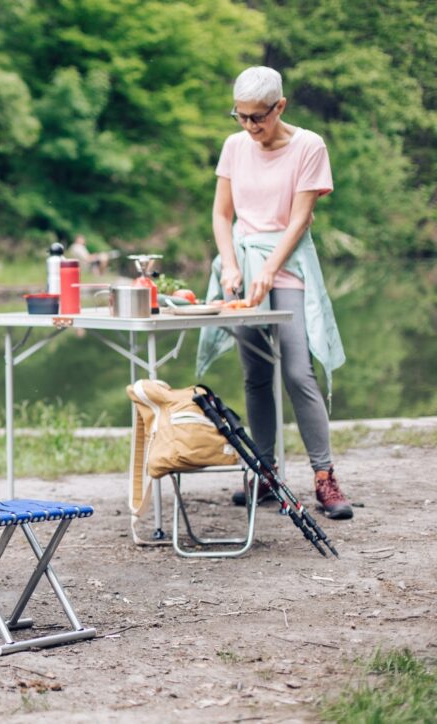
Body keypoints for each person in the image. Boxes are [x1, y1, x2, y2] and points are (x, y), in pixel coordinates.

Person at [196, 66, 352, 519]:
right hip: (245, 269)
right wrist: (230, 262)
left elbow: (301, 218)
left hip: (288, 267)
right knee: (255, 376)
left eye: (258, 117)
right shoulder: (234, 147)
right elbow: (222, 215)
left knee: (298, 373)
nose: (249, 126)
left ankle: (324, 477)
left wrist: (269, 268)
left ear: (280, 107)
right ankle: (265, 473)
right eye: (240, 117)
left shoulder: (309, 146)